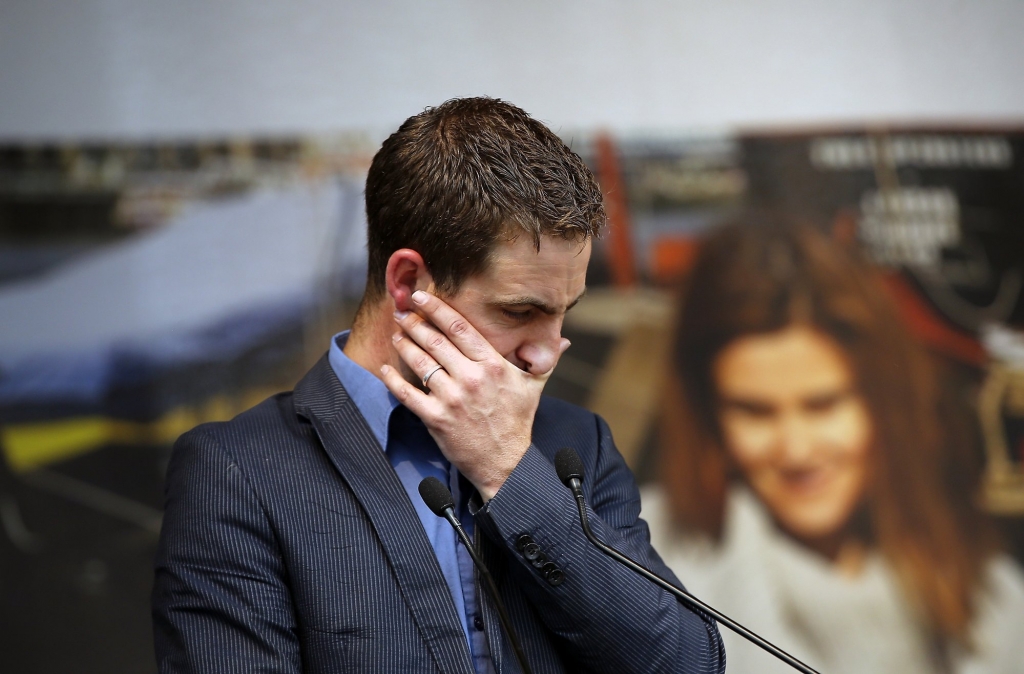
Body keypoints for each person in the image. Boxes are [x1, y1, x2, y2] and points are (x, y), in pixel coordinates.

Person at [152, 98, 726, 674]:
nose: (548, 351)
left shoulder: (576, 443)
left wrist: (510, 473)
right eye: (519, 311)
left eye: (565, 312)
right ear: (407, 283)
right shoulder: (238, 471)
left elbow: (686, 662)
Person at [642, 217, 1024, 674]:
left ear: (883, 401)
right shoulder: (640, 563)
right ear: (709, 414)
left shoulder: (986, 590)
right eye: (755, 411)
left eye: (824, 405)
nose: (797, 450)